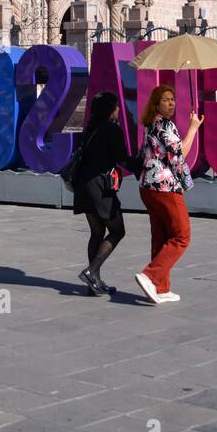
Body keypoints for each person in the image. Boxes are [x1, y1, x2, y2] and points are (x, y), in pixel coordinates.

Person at [134, 84, 203, 305]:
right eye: (165, 100)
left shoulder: (150, 124)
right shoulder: (164, 125)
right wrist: (193, 128)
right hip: (165, 187)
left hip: (148, 186)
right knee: (181, 236)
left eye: (173, 99)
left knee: (161, 237)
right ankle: (150, 275)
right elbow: (178, 155)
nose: (171, 103)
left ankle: (160, 288)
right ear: (156, 103)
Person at [72, 91, 142, 296]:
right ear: (109, 109)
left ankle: (94, 282)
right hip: (100, 188)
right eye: (116, 106)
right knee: (118, 230)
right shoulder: (112, 130)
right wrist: (141, 162)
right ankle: (90, 271)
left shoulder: (90, 129)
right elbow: (122, 158)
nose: (119, 110)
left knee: (96, 232)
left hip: (83, 186)